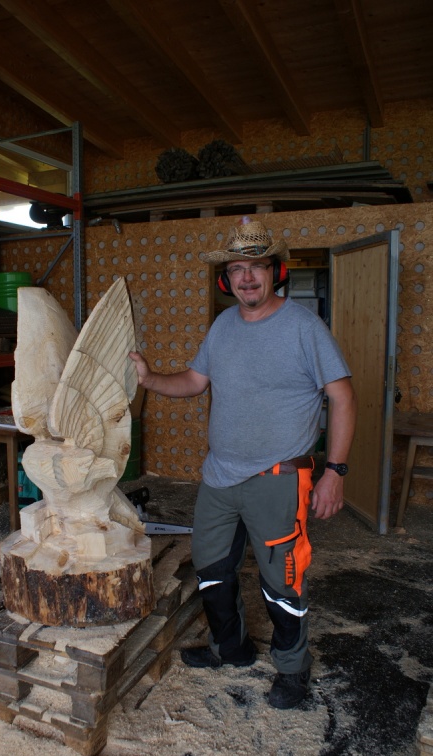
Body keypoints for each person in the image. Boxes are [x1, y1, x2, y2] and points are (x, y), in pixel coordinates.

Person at [129, 219, 356, 709]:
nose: (247, 277)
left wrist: (334, 472)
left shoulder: (304, 328)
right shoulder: (223, 326)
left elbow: (342, 397)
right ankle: (229, 649)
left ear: (276, 272)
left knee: (283, 580)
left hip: (278, 478)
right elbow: (194, 382)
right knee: (212, 568)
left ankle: (292, 667)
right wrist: (149, 379)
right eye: (236, 269)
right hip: (219, 476)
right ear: (225, 279)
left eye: (257, 267)